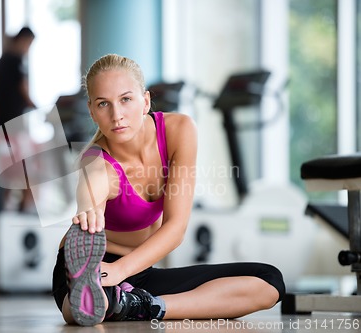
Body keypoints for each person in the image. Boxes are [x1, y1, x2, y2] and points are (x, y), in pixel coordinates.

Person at [51, 54, 285, 326]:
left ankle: (141, 305)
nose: (117, 115)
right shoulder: (96, 164)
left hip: (135, 271)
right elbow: (91, 195)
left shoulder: (179, 130)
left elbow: (175, 228)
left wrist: (120, 271)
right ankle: (89, 299)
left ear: (146, 101)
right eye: (104, 104)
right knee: (93, 307)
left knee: (269, 281)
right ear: (92, 111)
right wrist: (88, 214)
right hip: (95, 269)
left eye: (126, 99)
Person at [0, 27, 37, 212]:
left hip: (0, 129)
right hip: (15, 128)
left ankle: (4, 212)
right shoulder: (16, 61)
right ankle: (26, 212)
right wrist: (35, 106)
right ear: (24, 40)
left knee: (6, 173)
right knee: (28, 171)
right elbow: (23, 89)